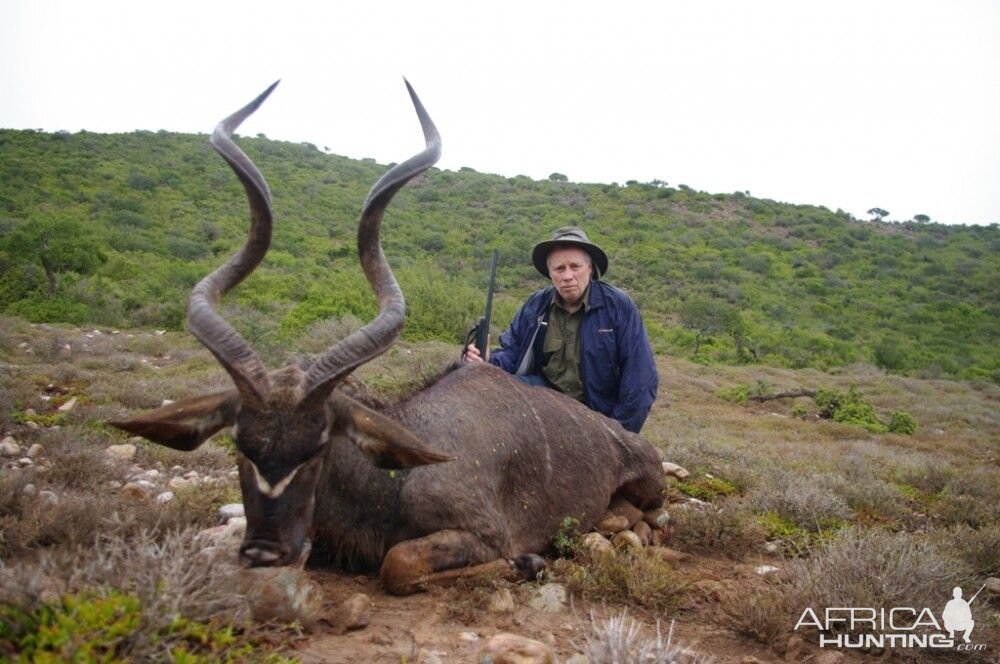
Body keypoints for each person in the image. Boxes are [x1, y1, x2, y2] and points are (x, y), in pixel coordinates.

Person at [464, 226, 658, 433]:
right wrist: (487, 358)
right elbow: (512, 353)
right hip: (547, 401)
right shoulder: (536, 305)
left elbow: (641, 379)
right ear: (550, 273)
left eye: (575, 267)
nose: (568, 276)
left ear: (590, 268)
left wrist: (619, 434)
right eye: (559, 269)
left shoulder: (618, 306)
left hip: (598, 412)